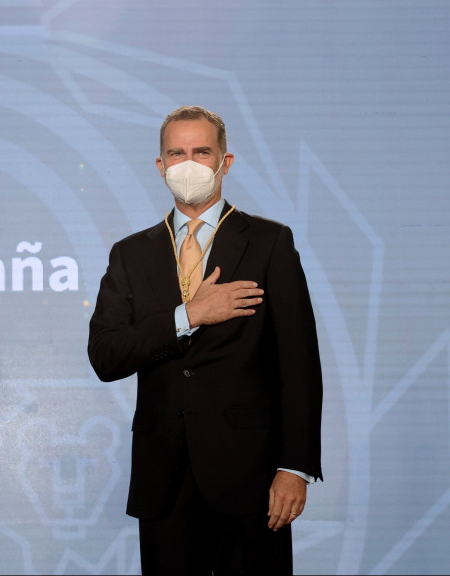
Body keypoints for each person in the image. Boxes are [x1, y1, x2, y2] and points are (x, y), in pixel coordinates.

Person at [88, 106, 323, 574]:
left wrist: (294, 468)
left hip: (253, 478)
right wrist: (187, 315)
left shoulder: (270, 242)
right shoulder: (131, 254)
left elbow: (299, 365)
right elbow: (106, 354)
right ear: (160, 166)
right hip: (164, 480)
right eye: (176, 153)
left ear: (225, 162)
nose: (188, 163)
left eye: (201, 151)